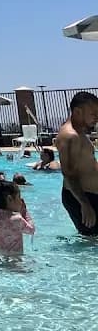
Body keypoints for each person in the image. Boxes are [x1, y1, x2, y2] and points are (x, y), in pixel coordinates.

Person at [56, 91, 98, 236]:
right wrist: (85, 205)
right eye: (93, 114)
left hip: (90, 196)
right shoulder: (70, 136)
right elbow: (68, 174)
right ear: (78, 111)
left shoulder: (79, 133)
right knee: (91, 244)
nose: (97, 118)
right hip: (83, 198)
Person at [0, 180, 35, 255]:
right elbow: (31, 230)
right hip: (15, 260)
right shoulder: (17, 219)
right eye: (19, 197)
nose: (21, 201)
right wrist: (25, 212)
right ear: (10, 199)